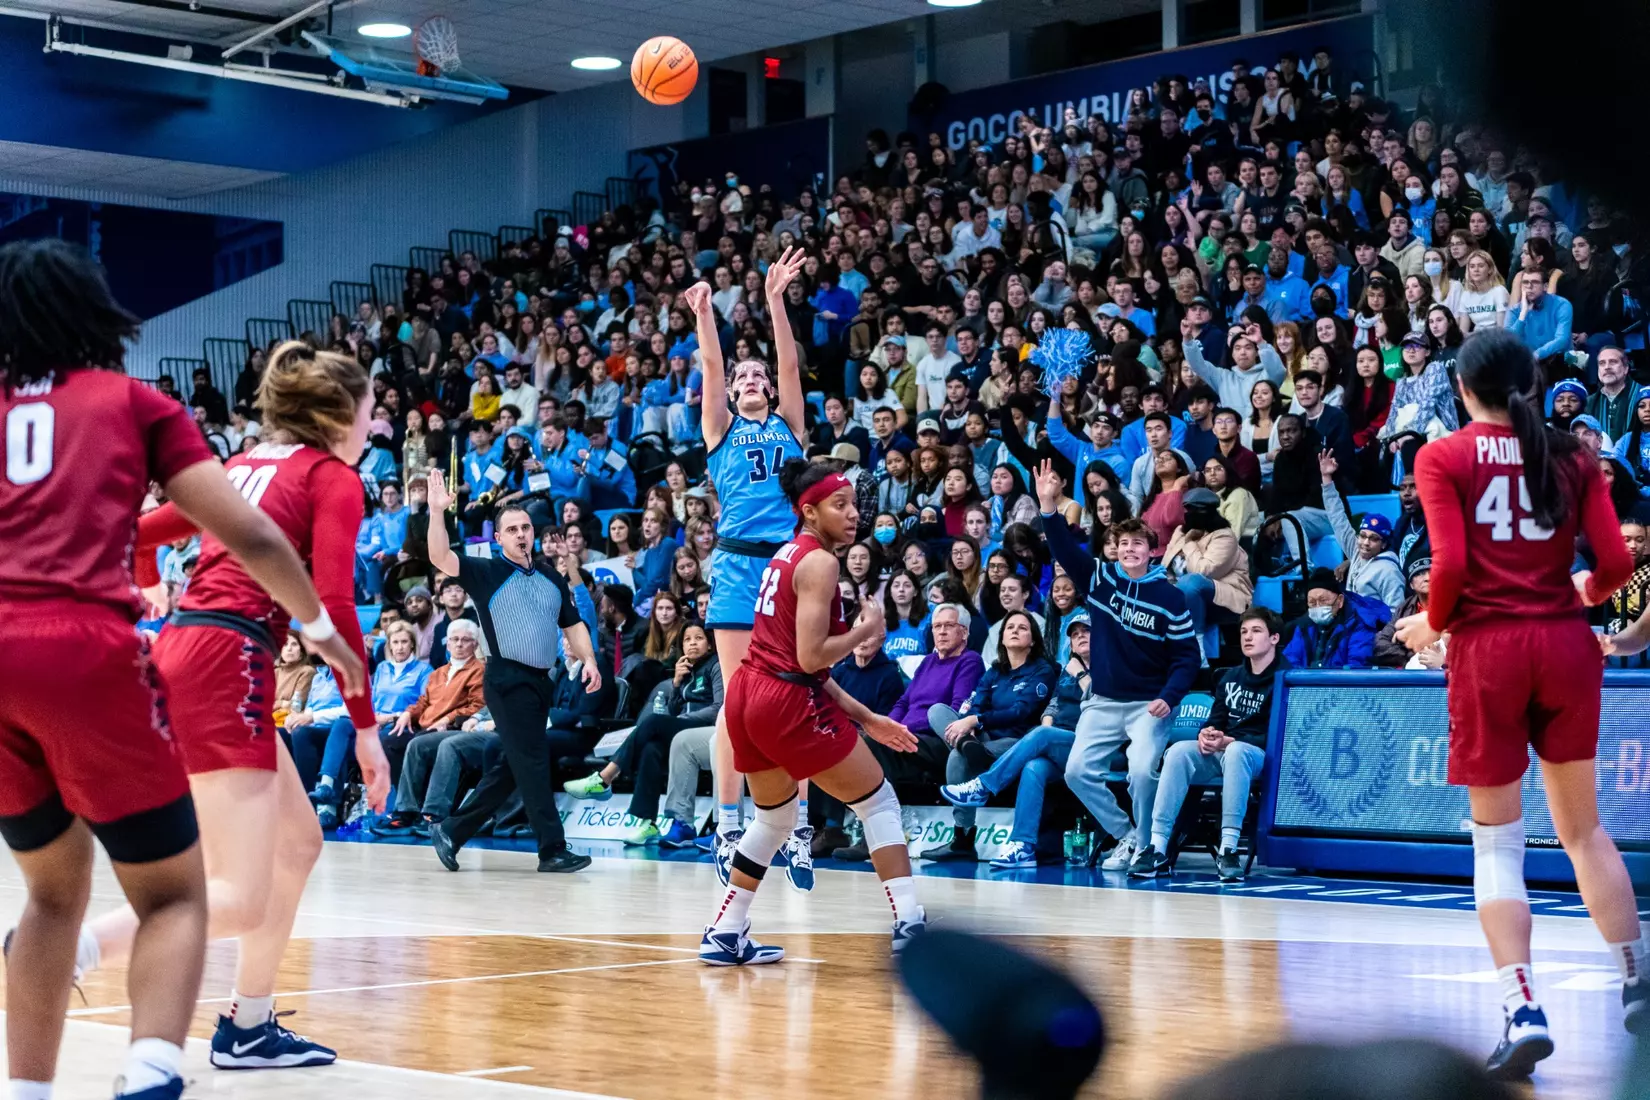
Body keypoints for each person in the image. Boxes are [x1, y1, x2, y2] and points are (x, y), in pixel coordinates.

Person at [0, 241, 365, 1100]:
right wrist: (320, 630)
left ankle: (31, 1089)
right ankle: (152, 1069)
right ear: (96, 312)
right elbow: (255, 537)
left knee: (50, 894)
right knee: (178, 894)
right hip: (102, 653)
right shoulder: (135, 404)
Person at [74, 339, 384, 1073]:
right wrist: (366, 731)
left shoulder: (241, 464)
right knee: (239, 895)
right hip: (229, 661)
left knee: (299, 843)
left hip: (187, 650)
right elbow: (334, 607)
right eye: (370, 411)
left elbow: (136, 530)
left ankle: (248, 1025)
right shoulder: (334, 476)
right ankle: (72, 947)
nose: (375, 425)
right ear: (340, 413)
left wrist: (148, 574)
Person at [1394, 328, 1645, 1077]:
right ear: (1531, 385)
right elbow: (1617, 563)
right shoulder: (1574, 454)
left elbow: (1454, 565)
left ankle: (1523, 1007)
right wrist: (1579, 594)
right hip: (1566, 645)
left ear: (1463, 390)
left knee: (1497, 844)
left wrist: (1429, 624)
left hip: (1489, 649)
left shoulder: (1442, 456)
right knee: (1586, 831)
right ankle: (1639, 981)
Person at [705, 463, 926, 964]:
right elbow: (811, 658)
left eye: (853, 504)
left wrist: (868, 719)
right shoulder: (821, 563)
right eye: (839, 506)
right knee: (878, 802)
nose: (853, 515)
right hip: (783, 698)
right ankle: (910, 922)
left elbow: (801, 663)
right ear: (810, 511)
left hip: (748, 696)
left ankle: (725, 929)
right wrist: (865, 631)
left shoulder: (785, 554)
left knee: (774, 819)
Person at [684, 251, 818, 891]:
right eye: (744, 377)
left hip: (790, 565)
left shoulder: (792, 423)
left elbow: (790, 361)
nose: (753, 380)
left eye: (758, 376)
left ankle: (801, 825)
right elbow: (711, 364)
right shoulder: (719, 429)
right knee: (737, 703)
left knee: (800, 693)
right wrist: (706, 315)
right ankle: (728, 823)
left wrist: (774, 300)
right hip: (738, 566)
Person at [420, 471, 602, 874]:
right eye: (512, 529)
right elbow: (439, 557)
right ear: (498, 538)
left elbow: (572, 625)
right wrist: (437, 513)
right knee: (534, 760)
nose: (521, 534)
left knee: (516, 764)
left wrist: (588, 659)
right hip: (505, 680)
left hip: (541, 683)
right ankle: (552, 848)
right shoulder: (486, 572)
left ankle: (452, 829)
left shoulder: (551, 577)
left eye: (525, 528)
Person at [1036, 460, 1200, 871]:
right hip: (1104, 701)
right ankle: (1125, 835)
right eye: (1122, 544)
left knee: (1142, 773)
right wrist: (1048, 507)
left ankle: (1146, 845)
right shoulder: (1099, 579)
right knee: (1076, 773)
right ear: (1115, 549)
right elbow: (1063, 549)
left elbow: (1187, 658)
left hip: (1149, 703)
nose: (1129, 550)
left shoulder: (1171, 597)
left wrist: (1169, 696)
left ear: (1151, 550)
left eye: (1137, 545)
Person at [1131, 608, 1287, 883]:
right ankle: (1157, 847)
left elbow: (1281, 735)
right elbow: (1215, 720)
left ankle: (1228, 849)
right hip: (1225, 750)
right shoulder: (1229, 678)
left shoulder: (1285, 679)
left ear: (1274, 638)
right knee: (1178, 751)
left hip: (1262, 756)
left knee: (1237, 751)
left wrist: (1231, 741)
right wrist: (1207, 734)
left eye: (1256, 631)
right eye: (1243, 632)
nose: (1247, 637)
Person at [1283, 568, 1386, 669]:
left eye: (1323, 600)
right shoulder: (1304, 626)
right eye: (1312, 602)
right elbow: (1289, 661)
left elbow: (1357, 667)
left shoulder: (1359, 624)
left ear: (1340, 601)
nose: (1318, 607)